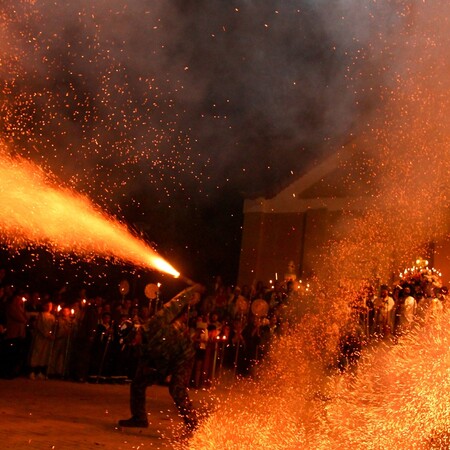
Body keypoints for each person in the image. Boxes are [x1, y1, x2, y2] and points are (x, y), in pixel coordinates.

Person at [118, 284, 204, 431]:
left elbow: (174, 304)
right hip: (163, 362)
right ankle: (139, 418)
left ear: (136, 332)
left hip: (182, 355)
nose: (132, 343)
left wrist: (192, 290)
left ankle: (193, 423)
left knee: (176, 388)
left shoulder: (155, 323)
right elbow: (144, 365)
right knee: (138, 383)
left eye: (132, 340)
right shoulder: (140, 347)